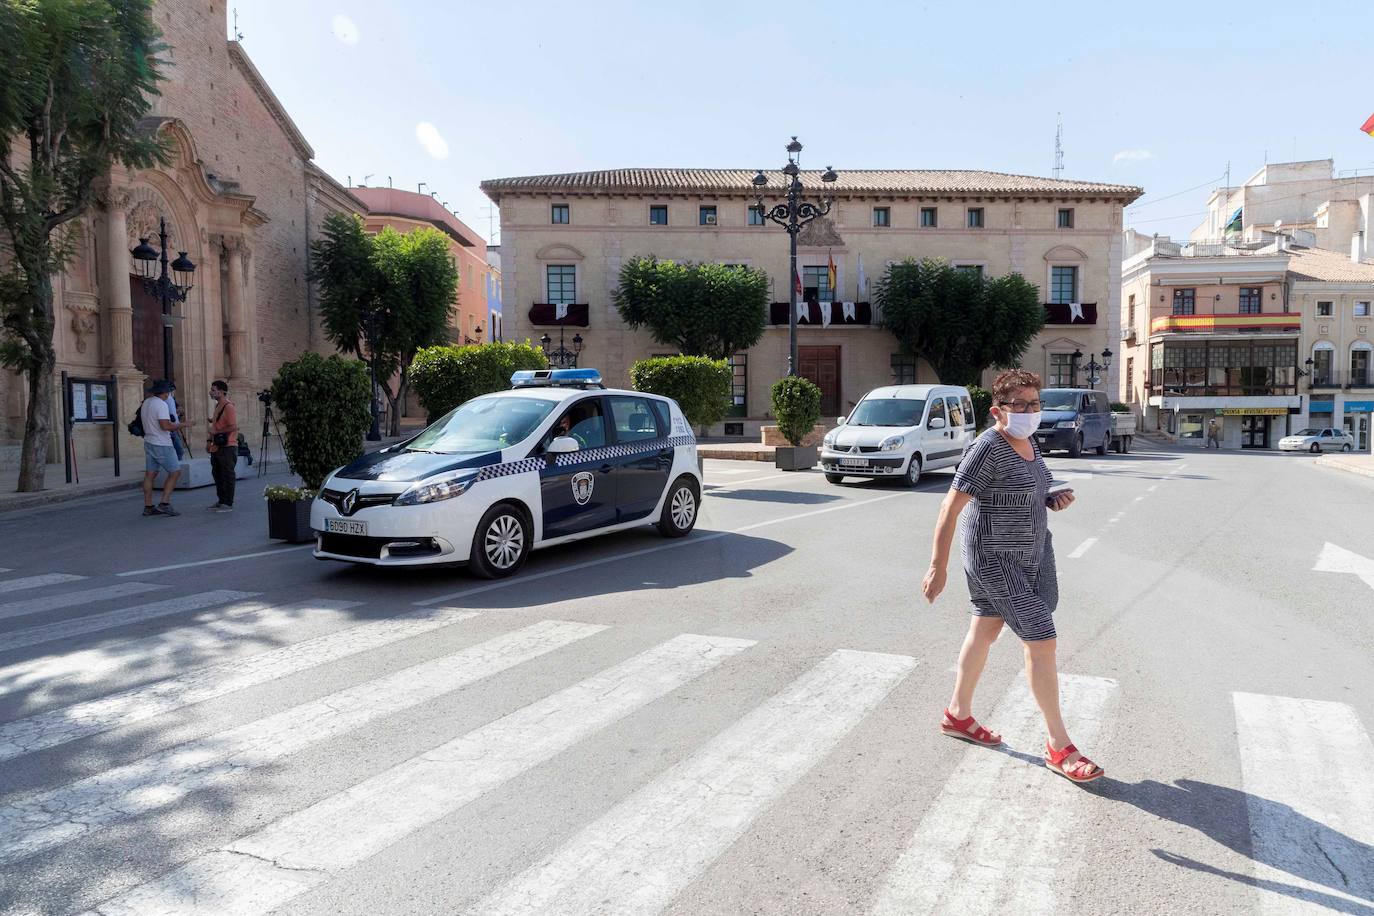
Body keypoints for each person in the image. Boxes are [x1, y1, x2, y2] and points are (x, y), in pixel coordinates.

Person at [923, 368, 1103, 784]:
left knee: (984, 630)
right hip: (994, 557)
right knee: (1042, 639)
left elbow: (1026, 489)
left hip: (1032, 552)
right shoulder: (988, 447)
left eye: (1034, 404)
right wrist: (938, 565)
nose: (1028, 411)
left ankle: (957, 714)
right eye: (1018, 404)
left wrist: (1049, 498)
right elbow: (950, 507)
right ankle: (1060, 747)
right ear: (997, 411)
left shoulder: (1030, 443)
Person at [140, 380, 189, 517]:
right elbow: (165, 426)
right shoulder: (161, 404)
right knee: (175, 472)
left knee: (150, 474)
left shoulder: (147, 402)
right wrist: (184, 424)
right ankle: (164, 503)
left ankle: (148, 506)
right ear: (166, 392)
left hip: (149, 441)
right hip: (162, 443)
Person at [206, 380, 239, 511]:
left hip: (228, 446)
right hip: (217, 446)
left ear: (221, 391)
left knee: (227, 474)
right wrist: (209, 441)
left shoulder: (228, 406)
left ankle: (228, 503)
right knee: (217, 474)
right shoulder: (218, 406)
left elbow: (234, 426)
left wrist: (217, 431)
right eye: (211, 389)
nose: (211, 392)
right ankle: (221, 500)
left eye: (213, 390)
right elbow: (216, 425)